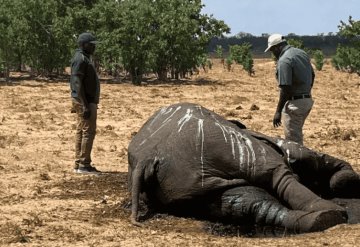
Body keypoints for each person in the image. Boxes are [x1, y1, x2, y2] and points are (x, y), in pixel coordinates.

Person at [265, 34, 315, 145]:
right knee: (297, 134)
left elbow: (285, 88)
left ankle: (299, 162)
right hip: (307, 101)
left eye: (273, 50)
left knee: (293, 143)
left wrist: (278, 112)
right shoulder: (302, 53)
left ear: (277, 47)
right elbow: (312, 75)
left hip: (294, 105)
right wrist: (305, 91)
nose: (273, 54)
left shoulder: (284, 60)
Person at [70, 32, 101, 174]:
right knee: (88, 131)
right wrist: (84, 104)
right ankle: (84, 165)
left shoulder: (84, 58)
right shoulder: (81, 59)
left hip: (85, 100)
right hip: (85, 101)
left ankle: (80, 163)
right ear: (83, 45)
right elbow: (76, 83)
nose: (94, 47)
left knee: (82, 131)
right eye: (91, 44)